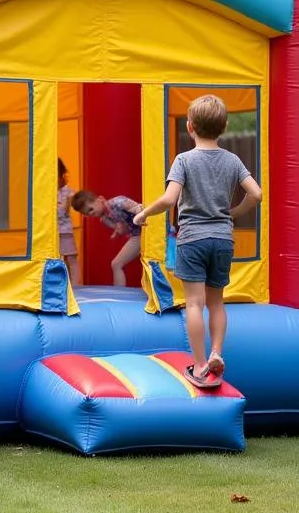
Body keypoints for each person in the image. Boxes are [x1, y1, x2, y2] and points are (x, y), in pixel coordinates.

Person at [134, 94, 261, 388]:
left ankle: (201, 364)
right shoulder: (232, 160)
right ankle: (217, 352)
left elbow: (169, 199)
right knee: (217, 302)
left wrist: (144, 215)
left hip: (192, 239)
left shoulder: (184, 160)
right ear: (225, 126)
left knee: (194, 302)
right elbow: (256, 194)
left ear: (190, 126)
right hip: (222, 239)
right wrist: (233, 213)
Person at [72, 190, 143, 287]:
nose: (90, 214)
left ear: (100, 199)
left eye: (90, 209)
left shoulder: (117, 202)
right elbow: (123, 230)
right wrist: (119, 229)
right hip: (137, 236)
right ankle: (119, 294)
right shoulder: (104, 219)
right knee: (116, 264)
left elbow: (139, 208)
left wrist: (137, 214)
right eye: (87, 214)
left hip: (147, 230)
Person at [57, 158, 80, 285]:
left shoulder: (68, 191)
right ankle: (61, 285)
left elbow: (64, 212)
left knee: (71, 258)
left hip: (65, 231)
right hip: (51, 233)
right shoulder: (45, 191)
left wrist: (67, 203)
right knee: (57, 260)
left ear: (61, 175)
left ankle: (76, 286)